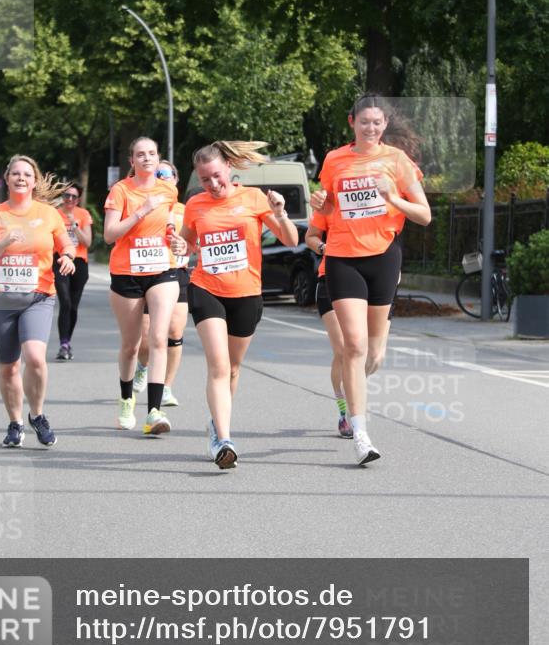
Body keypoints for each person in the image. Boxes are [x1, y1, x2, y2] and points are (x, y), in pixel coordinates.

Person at [170, 140, 298, 470]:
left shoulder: (254, 198)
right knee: (219, 365)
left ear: (228, 167)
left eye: (215, 176)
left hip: (246, 294)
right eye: (205, 179)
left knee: (234, 368)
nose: (212, 185)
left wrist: (281, 213)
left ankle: (216, 422)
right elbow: (187, 244)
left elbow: (291, 240)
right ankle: (223, 440)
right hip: (206, 289)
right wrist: (178, 244)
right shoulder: (196, 205)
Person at [318, 94, 430, 466]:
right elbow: (333, 209)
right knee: (353, 345)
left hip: (383, 257)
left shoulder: (396, 161)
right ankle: (361, 433)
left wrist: (392, 199)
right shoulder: (335, 160)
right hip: (342, 257)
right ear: (352, 121)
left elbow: (424, 215)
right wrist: (323, 205)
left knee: (374, 356)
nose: (370, 128)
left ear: (385, 126)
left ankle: (354, 388)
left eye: (376, 123)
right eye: (364, 121)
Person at [0, 155, 75, 448]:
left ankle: (37, 415)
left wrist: (67, 256)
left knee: (35, 359)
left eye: (26, 174)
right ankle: (15, 422)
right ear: (6, 179)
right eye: (15, 174)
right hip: (1, 299)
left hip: (38, 296)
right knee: (9, 367)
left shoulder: (48, 213)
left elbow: (65, 243)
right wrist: (3, 243)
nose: (21, 178)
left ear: (34, 180)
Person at [104, 137, 180, 436]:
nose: (146, 158)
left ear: (158, 157)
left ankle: (154, 411)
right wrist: (141, 211)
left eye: (151, 153)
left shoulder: (168, 190)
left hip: (162, 268)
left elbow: (169, 221)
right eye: (140, 154)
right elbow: (110, 234)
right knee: (131, 344)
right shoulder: (121, 190)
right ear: (131, 160)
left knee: (159, 338)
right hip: (127, 272)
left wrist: (174, 235)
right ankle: (125, 399)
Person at [132, 160, 189, 407]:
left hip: (177, 272)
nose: (161, 177)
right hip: (149, 276)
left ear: (175, 179)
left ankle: (166, 387)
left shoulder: (186, 210)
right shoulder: (143, 206)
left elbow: (196, 239)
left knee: (175, 333)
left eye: (166, 174)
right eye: (157, 174)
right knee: (147, 340)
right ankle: (143, 366)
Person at [305, 208, 352, 438]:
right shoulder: (329, 204)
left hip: (362, 282)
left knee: (361, 352)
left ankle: (356, 397)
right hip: (330, 279)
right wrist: (326, 249)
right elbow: (311, 237)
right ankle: (344, 411)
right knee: (342, 349)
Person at [54, 182, 92, 360]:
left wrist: (74, 225)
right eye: (66, 195)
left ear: (78, 199)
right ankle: (63, 344)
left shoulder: (83, 214)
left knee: (73, 307)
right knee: (65, 302)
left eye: (73, 196)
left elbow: (87, 242)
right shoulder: (54, 214)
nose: (69, 199)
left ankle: (67, 342)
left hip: (79, 263)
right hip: (60, 260)